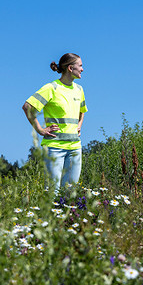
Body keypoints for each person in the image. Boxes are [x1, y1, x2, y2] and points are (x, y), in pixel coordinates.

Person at [22, 53, 87, 191]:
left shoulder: (79, 90)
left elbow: (82, 111)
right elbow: (27, 107)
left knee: (71, 193)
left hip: (75, 148)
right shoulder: (51, 88)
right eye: (80, 66)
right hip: (54, 148)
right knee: (52, 192)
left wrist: (79, 126)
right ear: (70, 68)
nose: (82, 69)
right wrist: (40, 129)